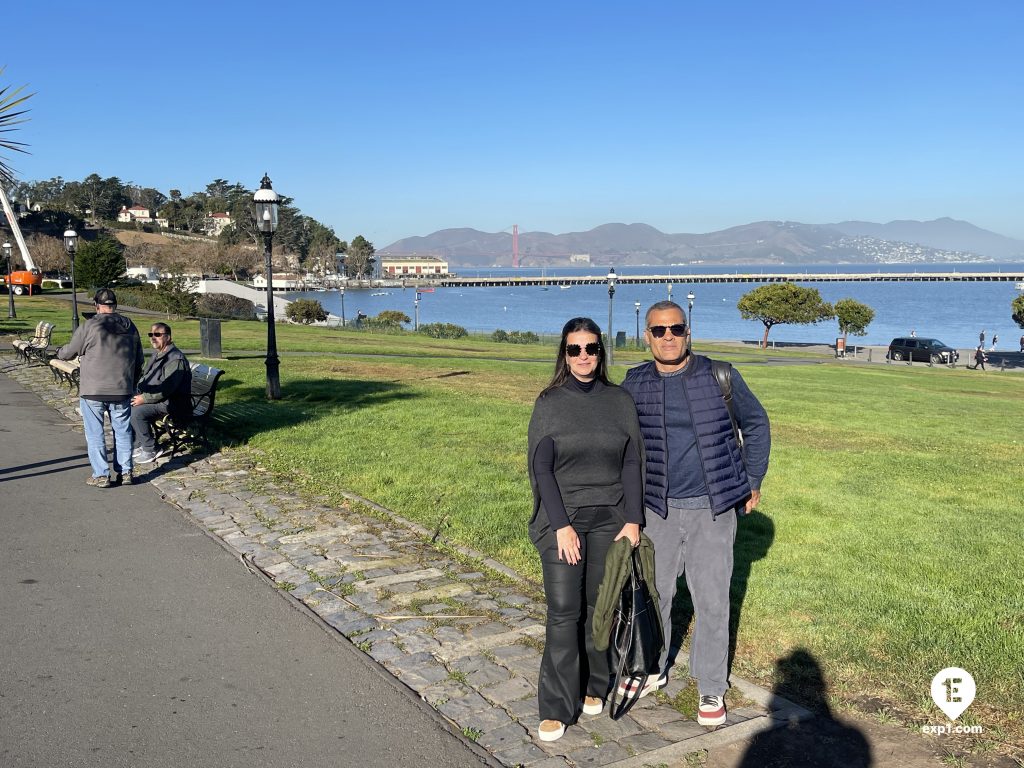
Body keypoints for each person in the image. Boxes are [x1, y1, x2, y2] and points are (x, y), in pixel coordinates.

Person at [621, 301, 771, 727]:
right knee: (655, 595)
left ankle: (710, 687)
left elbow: (756, 423)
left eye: (676, 328)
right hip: (657, 509)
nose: (668, 337)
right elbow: (621, 443)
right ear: (646, 335)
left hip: (713, 507)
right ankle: (652, 667)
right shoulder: (634, 384)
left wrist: (753, 478)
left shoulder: (718, 375)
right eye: (659, 330)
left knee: (711, 600)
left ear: (688, 332)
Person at [527, 317, 643, 742]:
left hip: (611, 519)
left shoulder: (619, 401)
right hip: (564, 519)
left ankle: (596, 684)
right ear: (564, 353)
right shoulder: (550, 403)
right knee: (563, 611)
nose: (583, 357)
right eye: (574, 349)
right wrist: (561, 525)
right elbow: (541, 468)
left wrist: (634, 518)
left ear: (601, 351)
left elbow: (632, 461)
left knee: (602, 608)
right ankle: (557, 706)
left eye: (591, 348)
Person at [56, 288, 143, 487]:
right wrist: (132, 382)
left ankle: (101, 475)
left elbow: (69, 352)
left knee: (95, 432)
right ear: (115, 305)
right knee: (122, 431)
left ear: (97, 306)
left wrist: (59, 352)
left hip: (93, 389)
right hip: (122, 387)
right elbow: (139, 360)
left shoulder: (90, 326)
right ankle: (126, 472)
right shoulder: (130, 326)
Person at [131, 322, 192, 464]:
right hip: (160, 399)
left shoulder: (175, 358)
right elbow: (146, 377)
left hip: (173, 402)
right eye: (151, 334)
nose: (153, 338)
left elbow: (167, 389)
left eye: (157, 334)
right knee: (127, 405)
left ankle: (150, 448)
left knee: (136, 412)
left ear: (168, 337)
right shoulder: (158, 354)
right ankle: (139, 443)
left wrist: (144, 398)